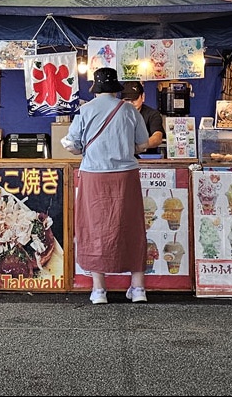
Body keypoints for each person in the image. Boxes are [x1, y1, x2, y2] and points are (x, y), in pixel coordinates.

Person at [64, 67, 150, 305]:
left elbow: (72, 144)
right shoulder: (129, 111)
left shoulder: (84, 110)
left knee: (93, 229)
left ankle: (99, 290)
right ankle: (138, 288)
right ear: (116, 88)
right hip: (125, 176)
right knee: (132, 227)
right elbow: (143, 144)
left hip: (93, 175)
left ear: (96, 88)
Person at [121, 81, 164, 156]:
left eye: (134, 99)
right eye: (127, 100)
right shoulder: (116, 115)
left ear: (143, 97)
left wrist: (140, 147)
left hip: (147, 158)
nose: (131, 103)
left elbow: (157, 137)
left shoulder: (152, 114)